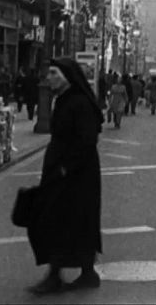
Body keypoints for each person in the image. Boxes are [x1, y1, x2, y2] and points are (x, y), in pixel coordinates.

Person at [26, 57, 103, 295]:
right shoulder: (65, 100)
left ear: (67, 77)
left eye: (53, 73)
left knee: (65, 221)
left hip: (75, 176)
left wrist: (65, 168)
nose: (48, 78)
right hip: (66, 172)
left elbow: (87, 140)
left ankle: (58, 275)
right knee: (67, 221)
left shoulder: (79, 102)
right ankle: (83, 273)